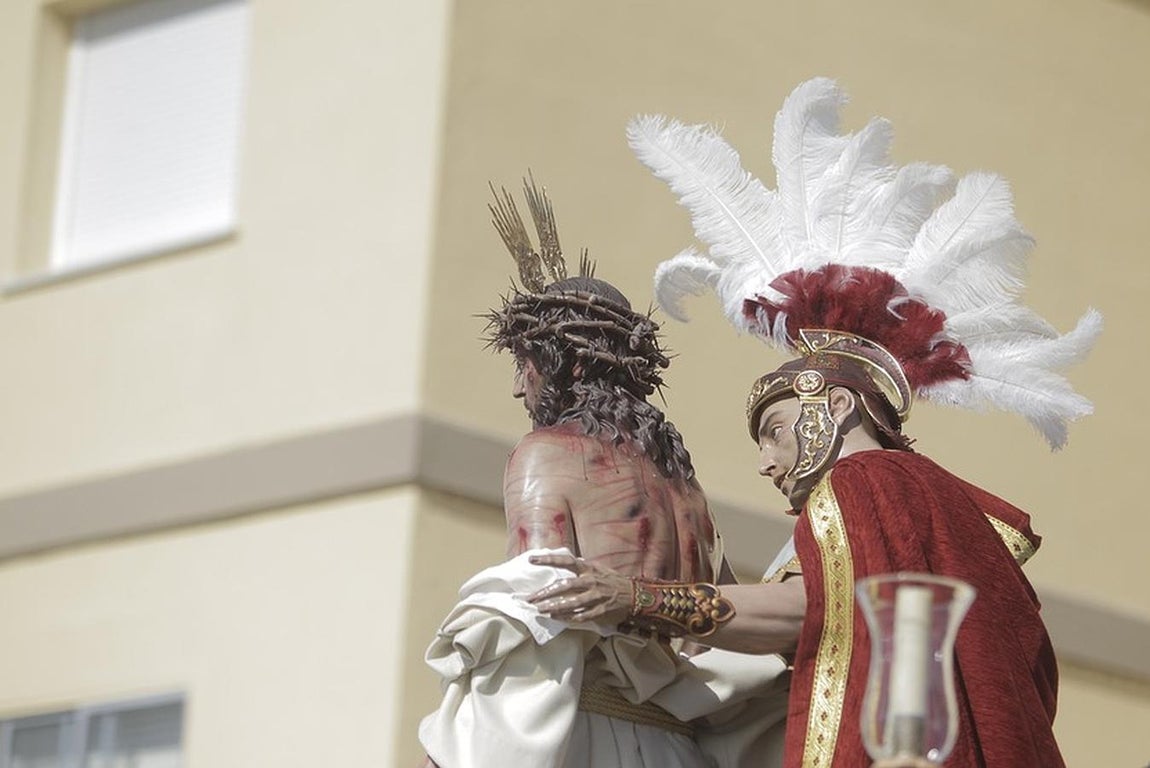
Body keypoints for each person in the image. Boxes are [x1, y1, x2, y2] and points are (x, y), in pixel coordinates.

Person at [530, 78, 1101, 767]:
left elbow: (815, 610)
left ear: (832, 406)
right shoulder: (936, 512)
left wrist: (636, 597)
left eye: (772, 431)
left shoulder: (872, 485)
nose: (766, 462)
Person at [417, 179, 790, 768]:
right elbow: (711, 629)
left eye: (525, 363)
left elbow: (537, 617)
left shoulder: (544, 453)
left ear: (559, 361)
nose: (518, 385)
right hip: (679, 746)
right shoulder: (688, 490)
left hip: (583, 735)